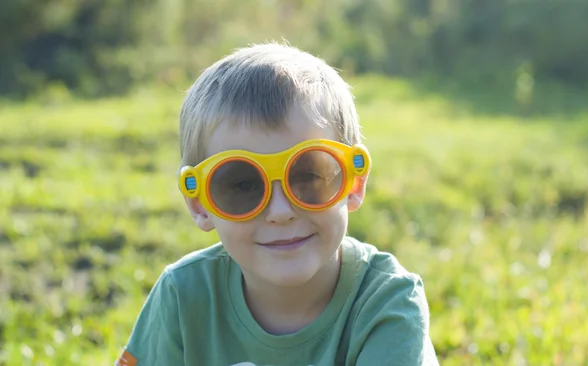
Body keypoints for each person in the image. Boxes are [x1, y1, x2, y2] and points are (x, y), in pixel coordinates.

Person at [116, 42, 439, 366]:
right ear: (200, 205)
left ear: (353, 183)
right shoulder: (183, 296)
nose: (281, 212)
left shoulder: (388, 302)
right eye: (242, 185)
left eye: (309, 174)